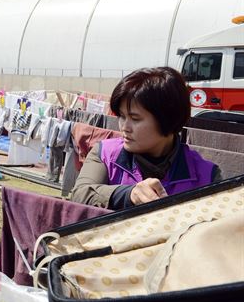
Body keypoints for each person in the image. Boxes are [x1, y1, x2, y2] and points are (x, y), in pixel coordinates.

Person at [72, 67, 220, 210]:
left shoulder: (208, 176)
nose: (124, 127)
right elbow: (80, 194)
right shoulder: (104, 153)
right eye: (122, 116)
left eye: (135, 119)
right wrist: (128, 195)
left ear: (169, 119)